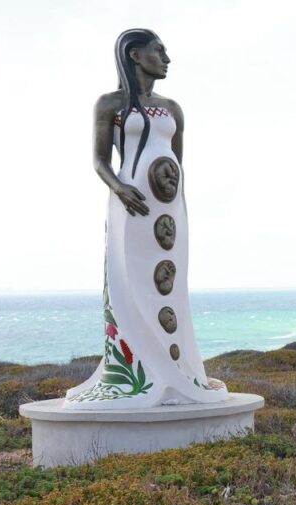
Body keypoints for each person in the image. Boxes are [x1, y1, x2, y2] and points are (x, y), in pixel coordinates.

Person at [65, 29, 228, 408]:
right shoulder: (110, 104)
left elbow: (177, 160)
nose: (167, 58)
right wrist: (119, 189)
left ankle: (178, 366)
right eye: (159, 51)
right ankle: (138, 370)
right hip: (130, 204)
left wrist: (172, 198)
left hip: (168, 207)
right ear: (135, 55)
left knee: (169, 282)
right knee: (130, 281)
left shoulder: (173, 108)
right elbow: (100, 160)